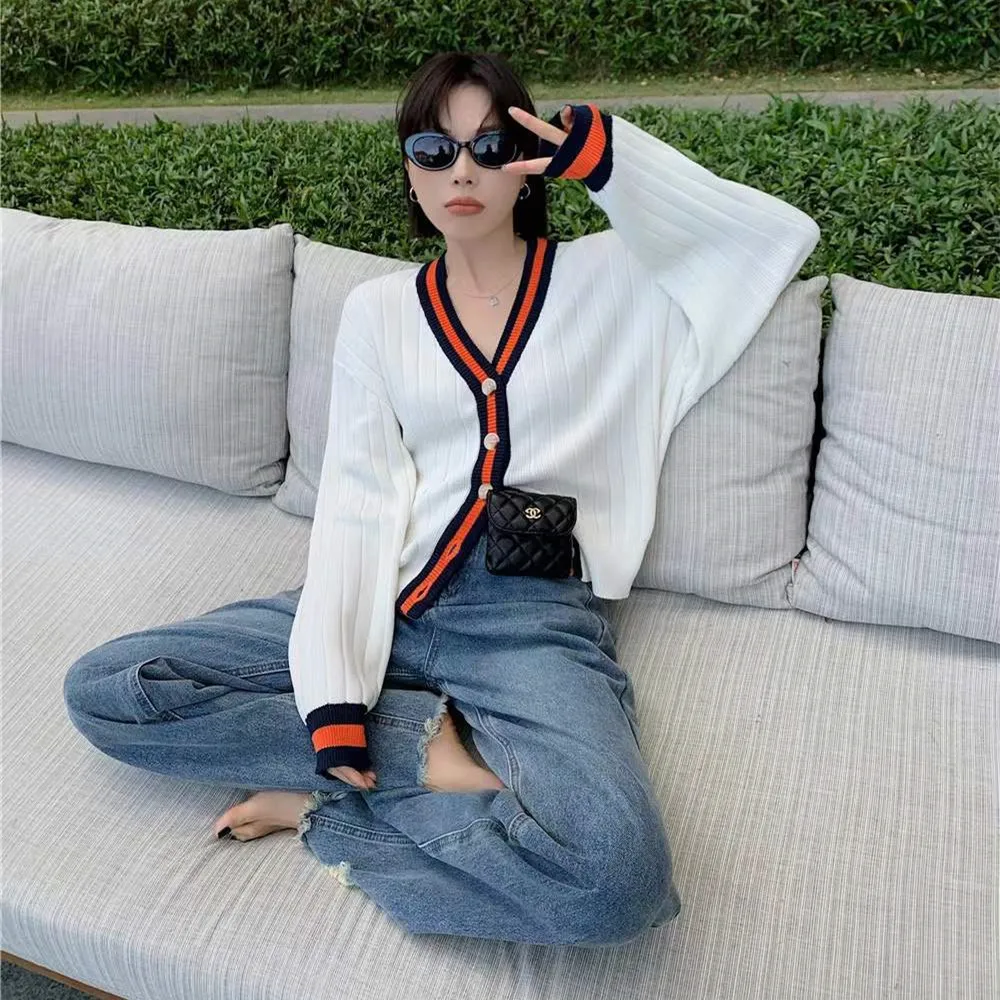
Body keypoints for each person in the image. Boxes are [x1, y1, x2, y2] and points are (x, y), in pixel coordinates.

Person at [63, 50, 820, 947]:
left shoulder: (618, 281)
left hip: (529, 619)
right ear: (411, 169)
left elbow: (771, 240)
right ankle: (423, 746)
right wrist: (338, 700)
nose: (463, 170)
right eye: (435, 148)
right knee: (107, 689)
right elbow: (357, 499)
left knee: (617, 883)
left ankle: (329, 808)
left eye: (490, 147)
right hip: (391, 593)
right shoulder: (379, 311)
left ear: (528, 166)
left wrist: (609, 161)